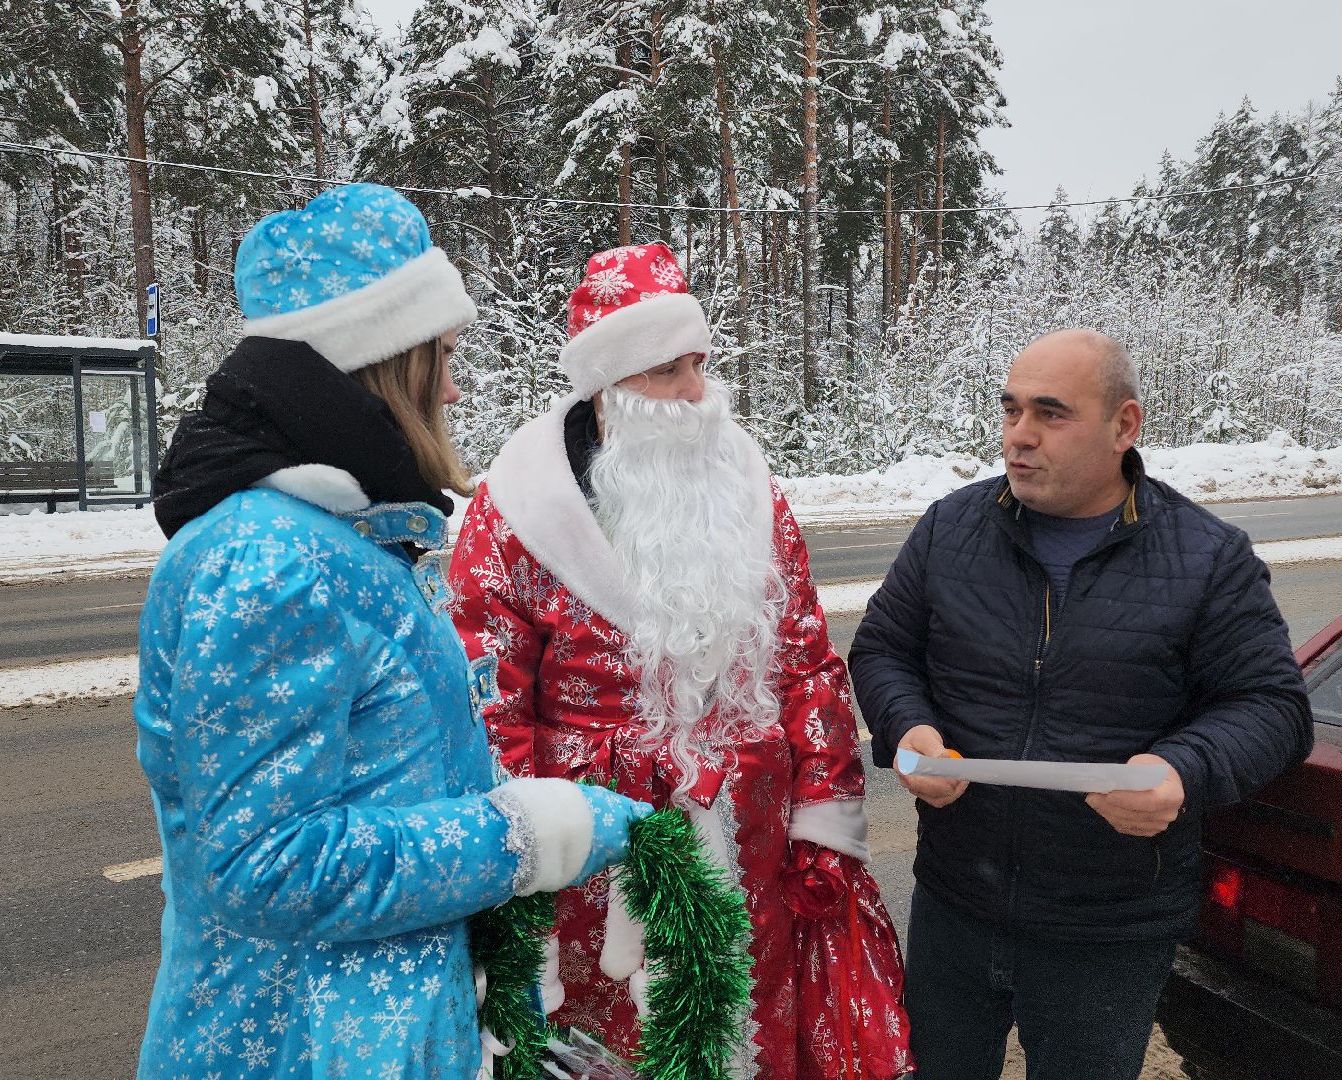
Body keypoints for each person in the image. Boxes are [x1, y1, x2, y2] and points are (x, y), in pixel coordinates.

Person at [134, 183, 650, 1080]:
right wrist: (520, 836)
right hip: (302, 1045)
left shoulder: (344, 542)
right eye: (441, 354)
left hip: (372, 1035)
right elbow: (263, 865)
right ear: (377, 362)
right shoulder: (270, 562)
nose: (454, 385)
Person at [449, 244, 911, 1079]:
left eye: (699, 363)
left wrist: (823, 813)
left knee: (747, 1029)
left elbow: (804, 659)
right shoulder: (517, 513)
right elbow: (486, 703)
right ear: (608, 385)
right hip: (595, 852)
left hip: (750, 836)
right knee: (616, 1048)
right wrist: (515, 878)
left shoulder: (749, 486)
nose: (697, 394)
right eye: (667, 371)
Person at [848, 329, 1312, 1080]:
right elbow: (882, 650)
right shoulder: (951, 528)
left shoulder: (1207, 557)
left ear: (1125, 426)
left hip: (1108, 926)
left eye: (1050, 414)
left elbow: (1272, 707)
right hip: (956, 901)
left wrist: (1181, 769)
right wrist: (911, 728)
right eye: (1010, 411)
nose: (1018, 437)